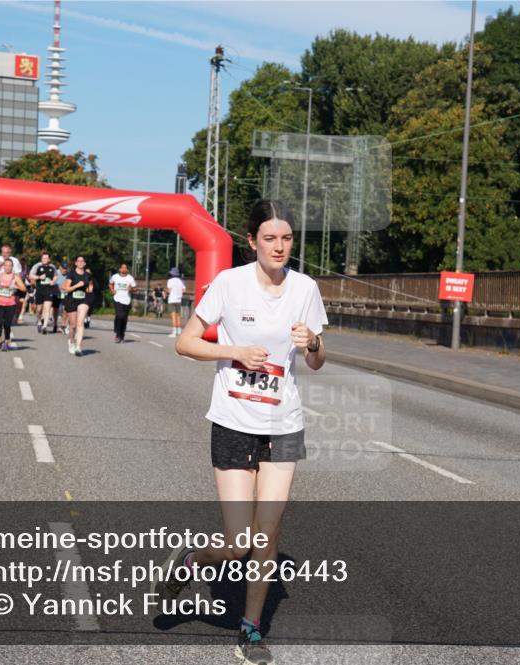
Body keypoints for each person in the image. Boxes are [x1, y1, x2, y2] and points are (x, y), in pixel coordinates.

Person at [157, 200, 327, 665]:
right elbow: (184, 342)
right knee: (238, 544)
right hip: (233, 422)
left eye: (287, 239)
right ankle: (192, 562)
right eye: (270, 238)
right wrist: (233, 351)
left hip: (284, 424)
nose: (279, 247)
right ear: (252, 241)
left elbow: (317, 359)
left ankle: (251, 629)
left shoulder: (306, 288)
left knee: (266, 536)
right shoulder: (229, 285)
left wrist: (312, 342)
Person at [0, 245, 23, 348]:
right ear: (1, 252)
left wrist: (14, 284)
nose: (5, 254)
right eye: (3, 252)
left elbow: (19, 276)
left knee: (7, 322)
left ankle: (6, 338)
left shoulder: (15, 261)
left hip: (10, 293)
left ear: (10, 252)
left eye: (7, 252)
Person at [61, 256, 94, 356]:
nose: (80, 262)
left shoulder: (88, 275)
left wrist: (90, 289)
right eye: (78, 261)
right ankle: (71, 341)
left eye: (82, 261)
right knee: (73, 325)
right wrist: (77, 285)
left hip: (83, 300)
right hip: (71, 300)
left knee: (80, 323)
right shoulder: (71, 274)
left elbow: (90, 287)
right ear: (75, 263)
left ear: (84, 263)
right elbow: (66, 289)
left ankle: (78, 347)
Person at [29, 252, 58, 335]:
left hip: (49, 290)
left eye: (46, 258)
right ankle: (39, 321)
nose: (45, 260)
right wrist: (39, 277)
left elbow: (56, 275)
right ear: (41, 259)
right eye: (43, 258)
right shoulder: (37, 266)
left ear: (49, 259)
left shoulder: (52, 267)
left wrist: (53, 281)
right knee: (39, 310)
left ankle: (44, 327)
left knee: (47, 308)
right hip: (39, 290)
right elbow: (30, 275)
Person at [109, 263, 136, 343]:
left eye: (125, 268)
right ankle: (117, 333)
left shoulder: (130, 278)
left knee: (124, 318)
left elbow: (135, 288)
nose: (124, 269)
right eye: (122, 268)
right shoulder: (114, 276)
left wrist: (131, 289)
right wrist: (112, 290)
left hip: (127, 300)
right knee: (119, 315)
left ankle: (122, 333)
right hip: (117, 299)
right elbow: (110, 284)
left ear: (127, 270)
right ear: (120, 269)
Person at [166, 266, 186, 337]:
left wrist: (167, 292)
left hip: (172, 299)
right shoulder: (181, 281)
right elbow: (184, 290)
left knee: (173, 316)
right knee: (178, 316)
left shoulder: (170, 281)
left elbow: (169, 290)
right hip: (179, 300)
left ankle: (174, 332)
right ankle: (179, 331)